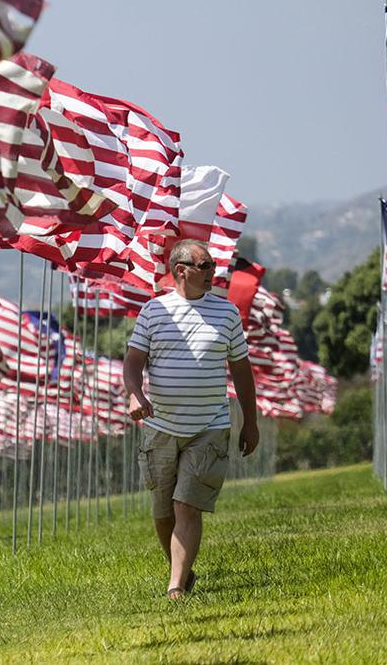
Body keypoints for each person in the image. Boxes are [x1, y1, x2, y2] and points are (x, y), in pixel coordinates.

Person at [123, 239, 259, 600]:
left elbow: (242, 372)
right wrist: (136, 396)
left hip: (209, 427)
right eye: (205, 265)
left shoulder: (227, 313)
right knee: (163, 511)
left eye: (212, 265)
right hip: (162, 427)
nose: (213, 271)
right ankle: (182, 571)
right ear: (180, 271)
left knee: (187, 505)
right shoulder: (154, 312)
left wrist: (251, 421)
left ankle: (175, 587)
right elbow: (133, 363)